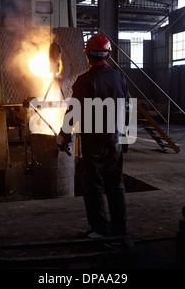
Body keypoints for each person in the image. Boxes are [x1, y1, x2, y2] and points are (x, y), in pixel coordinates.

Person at [56, 34, 131, 241]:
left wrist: (64, 135)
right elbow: (127, 108)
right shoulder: (119, 78)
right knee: (116, 185)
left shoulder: (84, 81)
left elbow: (73, 112)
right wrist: (125, 136)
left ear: (88, 56)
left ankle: (100, 229)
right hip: (115, 141)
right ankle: (120, 230)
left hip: (94, 143)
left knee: (94, 186)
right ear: (108, 54)